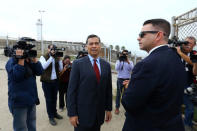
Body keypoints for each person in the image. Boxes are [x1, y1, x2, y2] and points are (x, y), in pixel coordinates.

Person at [121, 19, 187, 131]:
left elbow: (129, 103)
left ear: (158, 35)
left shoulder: (146, 64)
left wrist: (130, 86)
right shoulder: (177, 59)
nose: (138, 38)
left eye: (142, 34)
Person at [67, 34, 112, 131]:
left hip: (98, 115)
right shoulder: (77, 64)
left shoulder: (106, 66)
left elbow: (108, 89)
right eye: (91, 44)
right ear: (86, 46)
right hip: (82, 116)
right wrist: (72, 113)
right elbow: (71, 91)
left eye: (96, 43)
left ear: (100, 46)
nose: (94, 46)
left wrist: (108, 109)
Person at [6, 42, 43, 131]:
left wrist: (35, 61)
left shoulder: (29, 61)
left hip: (31, 100)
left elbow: (40, 72)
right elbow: (17, 77)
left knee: (32, 125)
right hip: (19, 103)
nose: (28, 53)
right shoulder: (11, 62)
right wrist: (21, 60)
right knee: (21, 128)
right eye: (26, 51)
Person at [176, 36, 197, 130]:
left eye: (190, 43)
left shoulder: (194, 54)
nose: (187, 45)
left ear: (194, 45)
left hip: (188, 86)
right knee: (174, 105)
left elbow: (193, 63)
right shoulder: (175, 52)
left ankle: (187, 125)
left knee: (190, 108)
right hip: (175, 84)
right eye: (186, 42)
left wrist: (180, 53)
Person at [39, 44, 63, 126]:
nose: (53, 50)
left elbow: (60, 69)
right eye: (52, 49)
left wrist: (59, 60)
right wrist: (51, 58)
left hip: (55, 81)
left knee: (54, 98)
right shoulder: (43, 57)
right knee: (49, 99)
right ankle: (51, 116)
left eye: (54, 49)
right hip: (46, 82)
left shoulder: (56, 57)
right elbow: (43, 67)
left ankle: (55, 113)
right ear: (48, 49)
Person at [115, 50, 133, 114]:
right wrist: (120, 60)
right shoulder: (118, 61)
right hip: (120, 79)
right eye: (124, 54)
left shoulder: (130, 62)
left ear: (128, 55)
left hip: (127, 80)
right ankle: (117, 108)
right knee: (118, 94)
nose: (125, 55)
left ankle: (126, 108)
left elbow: (132, 69)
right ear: (122, 54)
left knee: (126, 95)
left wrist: (127, 61)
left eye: (126, 54)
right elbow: (117, 68)